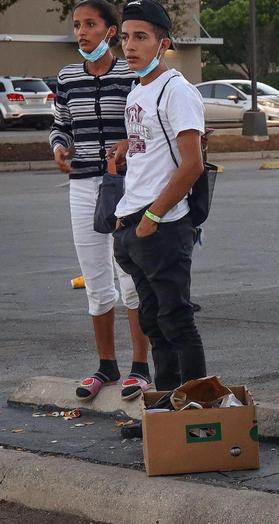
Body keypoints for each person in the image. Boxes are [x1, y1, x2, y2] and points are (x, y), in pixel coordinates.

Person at [51, 0, 151, 402]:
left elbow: (144, 124)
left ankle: (140, 367)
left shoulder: (132, 74)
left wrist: (127, 143)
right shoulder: (67, 76)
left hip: (126, 185)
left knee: (130, 278)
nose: (81, 33)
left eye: (90, 24)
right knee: (96, 281)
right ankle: (105, 365)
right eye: (77, 25)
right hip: (82, 186)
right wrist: (59, 146)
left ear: (110, 31)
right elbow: (62, 124)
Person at [108, 0, 207, 393]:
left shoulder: (175, 90)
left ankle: (198, 408)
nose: (130, 46)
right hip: (132, 222)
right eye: (126, 37)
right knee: (153, 321)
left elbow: (192, 164)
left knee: (176, 319)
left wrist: (153, 217)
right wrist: (123, 147)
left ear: (163, 43)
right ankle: (166, 402)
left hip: (162, 224)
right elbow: (147, 149)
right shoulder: (138, 91)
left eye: (141, 38)